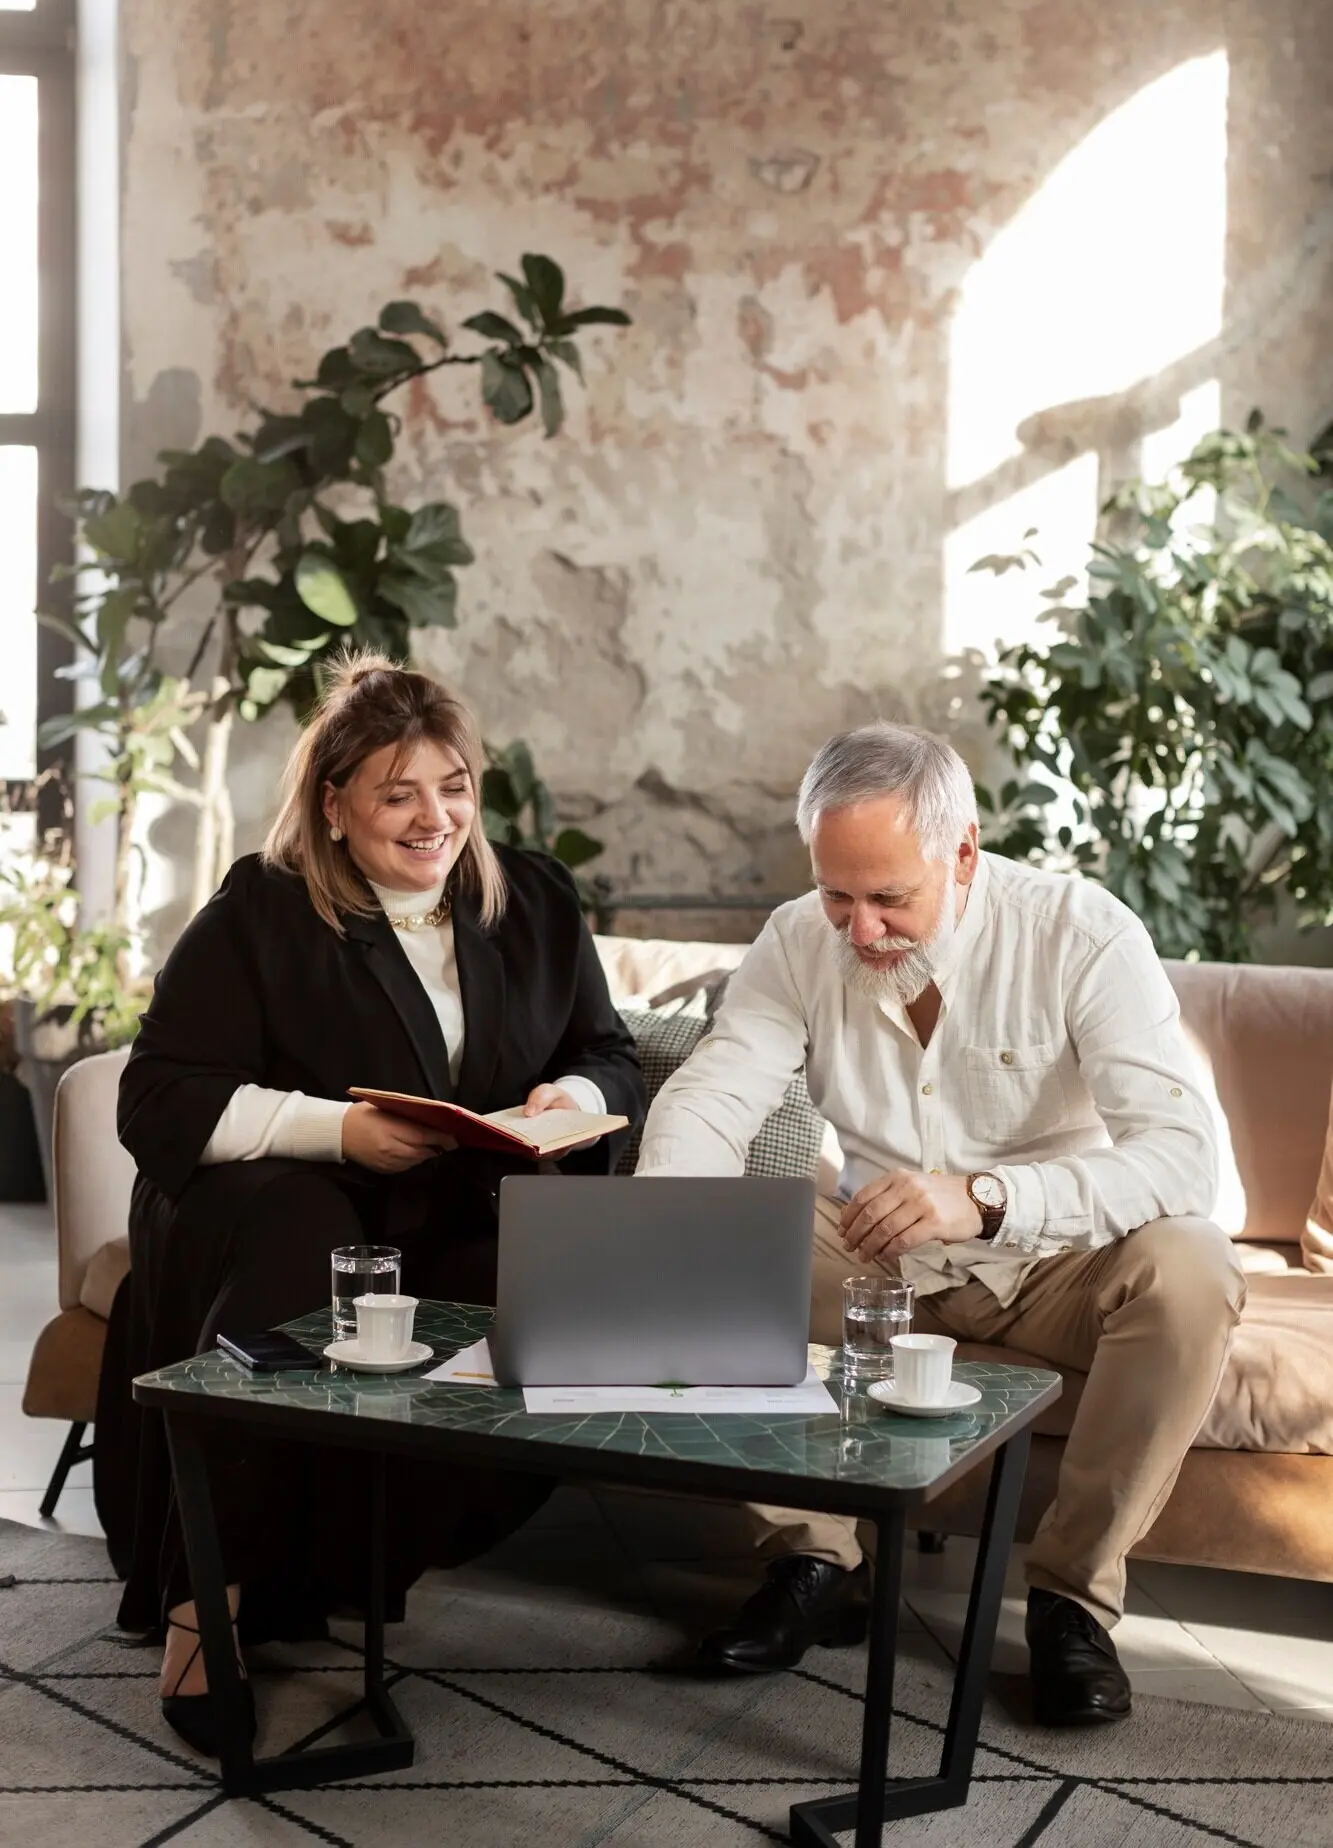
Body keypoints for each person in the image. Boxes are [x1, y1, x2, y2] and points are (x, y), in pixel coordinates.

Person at [636, 722, 1245, 1726]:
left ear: (962, 852)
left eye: (889, 898)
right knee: (699, 1234)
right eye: (839, 894)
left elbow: (1181, 1158)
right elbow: (713, 1093)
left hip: (1061, 1256)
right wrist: (668, 1220)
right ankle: (816, 1557)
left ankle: (1069, 1601)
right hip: (880, 1257)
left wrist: (986, 1193)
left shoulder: (1081, 932)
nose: (860, 928)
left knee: (1192, 1265)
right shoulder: (799, 938)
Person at [96, 652, 644, 1755]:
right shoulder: (263, 905)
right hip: (264, 1201)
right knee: (310, 1242)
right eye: (397, 792)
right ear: (334, 803)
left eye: (452, 786)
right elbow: (157, 1096)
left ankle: (338, 1566)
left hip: (450, 1200)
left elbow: (610, 1052)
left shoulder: (530, 896)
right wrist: (335, 1128)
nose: (433, 816)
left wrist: (569, 1095)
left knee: (541, 1282)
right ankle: (211, 1601)